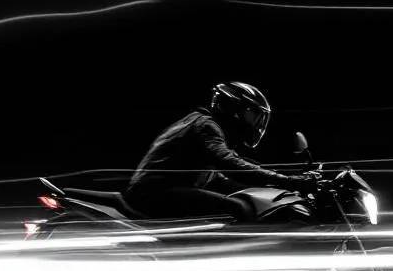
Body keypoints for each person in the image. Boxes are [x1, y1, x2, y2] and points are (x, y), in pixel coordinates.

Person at [123, 82, 316, 221]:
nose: (255, 122)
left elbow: (219, 177)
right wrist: (289, 181)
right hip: (152, 194)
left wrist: (276, 185)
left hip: (157, 191)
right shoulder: (206, 125)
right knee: (238, 206)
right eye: (251, 114)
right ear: (234, 109)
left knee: (248, 198)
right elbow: (229, 162)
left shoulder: (200, 122)